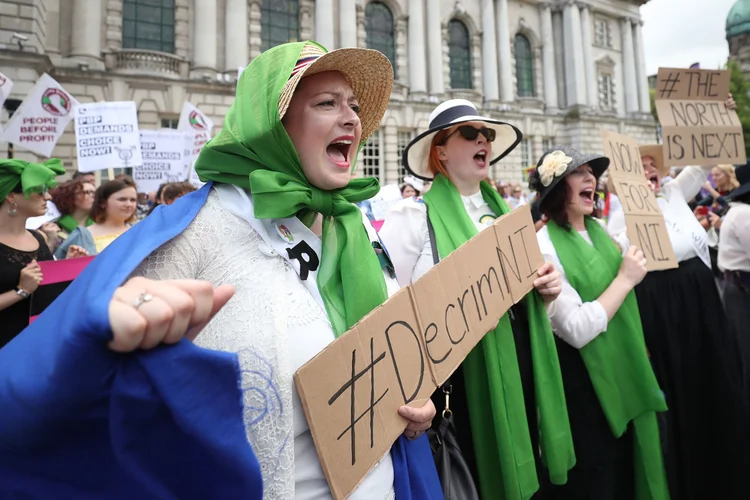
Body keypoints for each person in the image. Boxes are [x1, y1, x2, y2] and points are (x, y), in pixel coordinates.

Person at [0, 41, 441, 499]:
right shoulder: (195, 230)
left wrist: (414, 404)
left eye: (353, 105)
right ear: (271, 124)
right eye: (326, 103)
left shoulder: (356, 228)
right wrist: (115, 338)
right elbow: (62, 381)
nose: (352, 117)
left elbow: (389, 351)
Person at [380, 99, 574, 500]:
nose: (482, 139)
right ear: (441, 150)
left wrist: (549, 290)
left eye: (486, 134)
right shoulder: (412, 217)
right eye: (470, 133)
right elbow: (388, 310)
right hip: (463, 383)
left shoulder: (510, 213)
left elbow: (532, 298)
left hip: (522, 372)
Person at [610, 97, 750, 497]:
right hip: (660, 302)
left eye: (653, 164)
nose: (650, 169)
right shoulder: (620, 213)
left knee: (714, 373)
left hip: (699, 293)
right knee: (679, 386)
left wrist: (721, 113)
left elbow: (705, 159)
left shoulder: (675, 190)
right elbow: (615, 250)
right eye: (640, 166)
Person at [531, 146, 668, 499]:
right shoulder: (544, 246)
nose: (592, 178)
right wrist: (625, 279)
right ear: (558, 187)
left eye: (593, 172)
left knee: (626, 471)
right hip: (587, 386)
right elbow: (575, 329)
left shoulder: (601, 230)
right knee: (600, 479)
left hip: (624, 370)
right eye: (580, 173)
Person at [0, 159, 83, 347]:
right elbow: (28, 288)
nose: (48, 197)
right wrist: (20, 291)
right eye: (40, 191)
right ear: (12, 196)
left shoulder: (40, 238)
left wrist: (67, 266)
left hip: (38, 345)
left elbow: (47, 293)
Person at [718, 161, 750, 386]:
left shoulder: (739, 211)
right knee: (745, 353)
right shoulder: (744, 214)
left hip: (738, 288)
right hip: (741, 289)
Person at [54, 179, 137, 258]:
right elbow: (59, 266)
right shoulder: (82, 235)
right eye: (122, 199)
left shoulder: (139, 232)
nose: (129, 204)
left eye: (133, 200)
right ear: (103, 203)